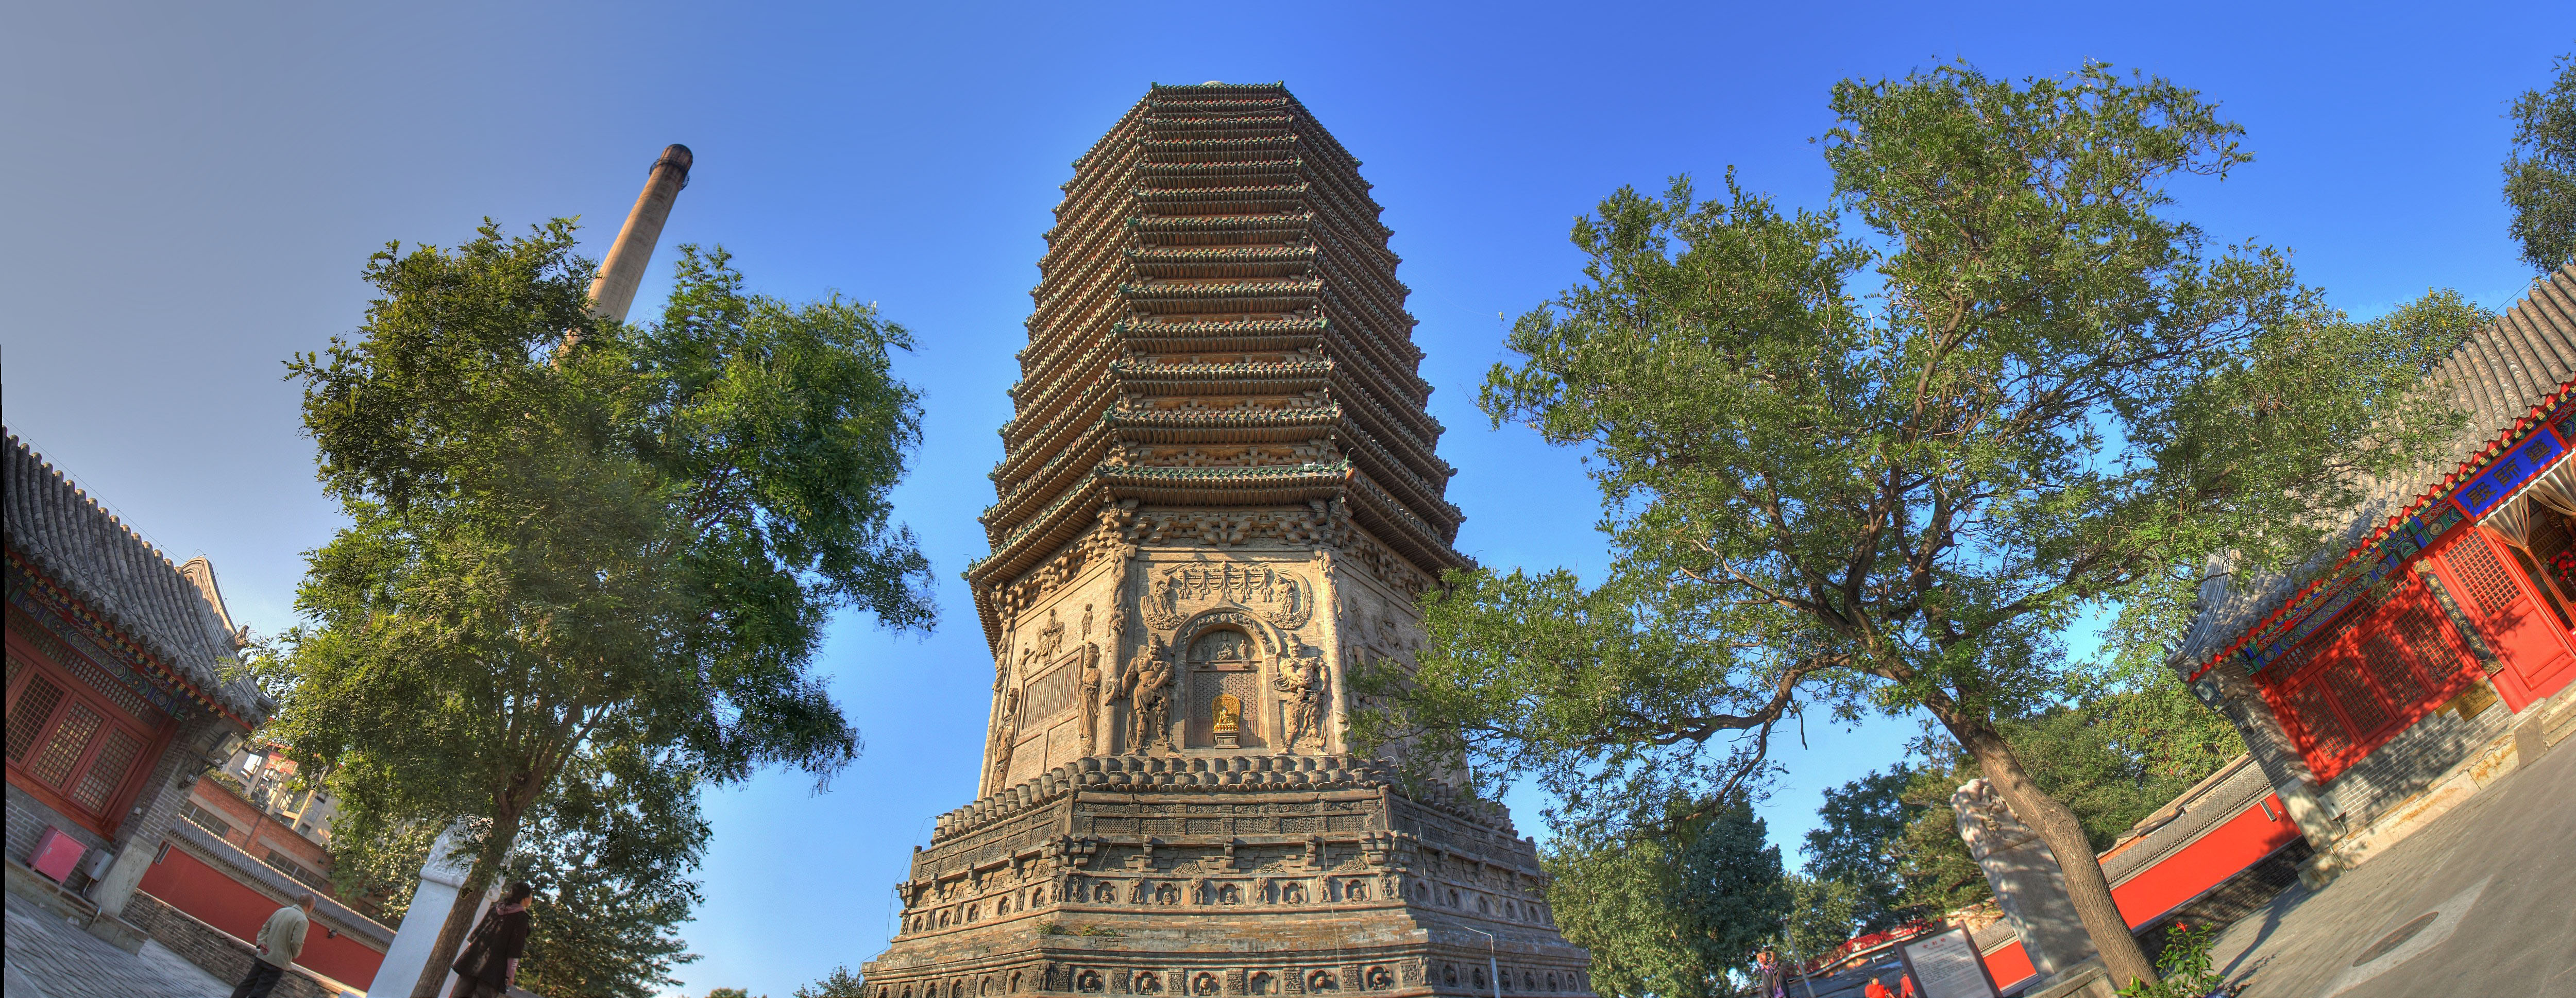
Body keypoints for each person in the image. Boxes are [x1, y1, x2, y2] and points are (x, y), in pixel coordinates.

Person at [449, 881, 536, 998]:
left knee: (458, 995)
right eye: (530, 896)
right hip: (493, 971)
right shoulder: (521, 918)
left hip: (472, 962)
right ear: (525, 899)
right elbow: (515, 949)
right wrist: (510, 974)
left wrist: (472, 959)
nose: (531, 899)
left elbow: (475, 937)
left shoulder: (495, 910)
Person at [229, 891, 315, 998]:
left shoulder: (281, 911)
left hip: (264, 955)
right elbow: (297, 942)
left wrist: (262, 943)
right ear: (310, 906)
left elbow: (265, 928)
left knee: (247, 984)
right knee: (261, 991)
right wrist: (296, 954)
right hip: (278, 961)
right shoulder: (302, 920)